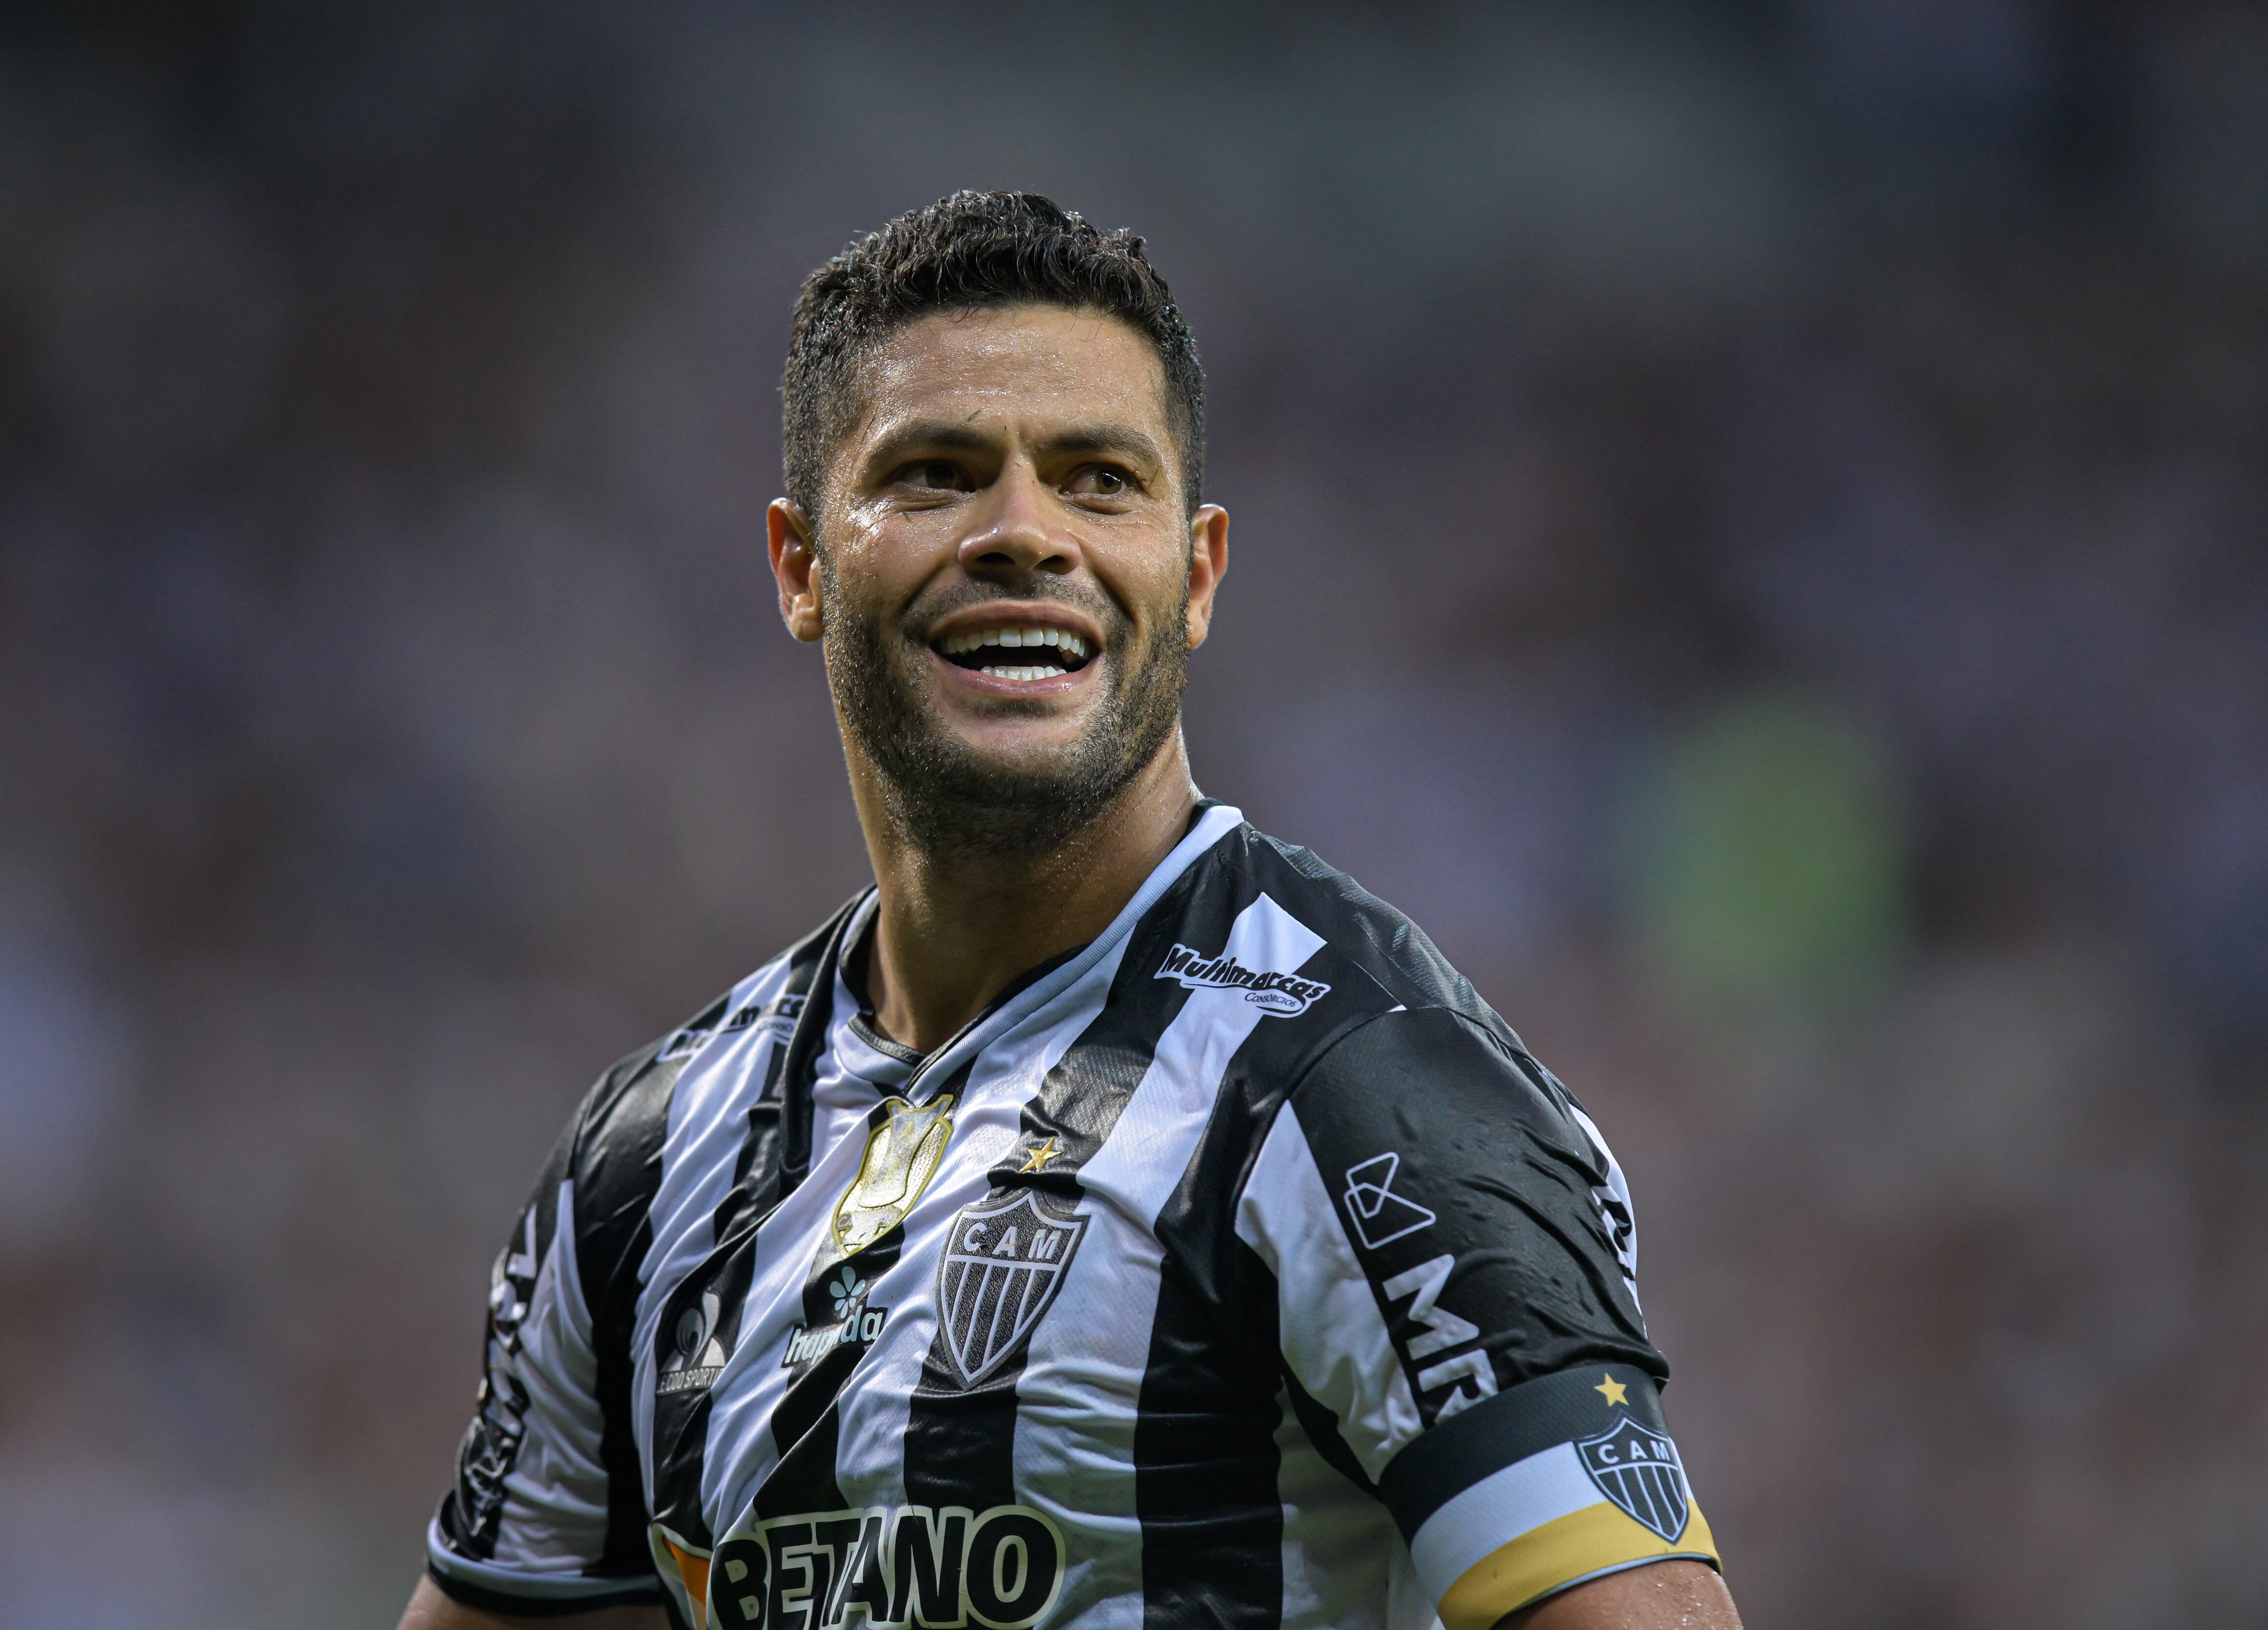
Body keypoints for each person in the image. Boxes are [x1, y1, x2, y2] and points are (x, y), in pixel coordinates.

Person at [400, 191, 1741, 1630]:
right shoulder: (648, 1162)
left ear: (1200, 571)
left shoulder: (1360, 1089)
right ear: (800, 567)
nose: (1025, 533)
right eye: (936, 473)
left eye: (1100, 478)